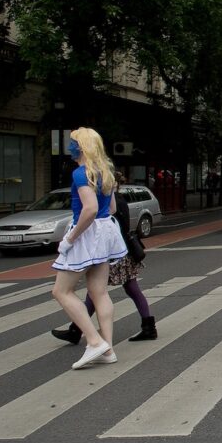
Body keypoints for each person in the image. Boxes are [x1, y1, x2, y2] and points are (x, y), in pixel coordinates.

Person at [50, 128, 128, 369]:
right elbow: (112, 208)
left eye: (73, 143)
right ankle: (108, 349)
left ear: (81, 147)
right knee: (100, 292)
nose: (70, 147)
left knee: (61, 291)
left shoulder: (81, 173)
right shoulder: (106, 172)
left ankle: (94, 342)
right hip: (105, 232)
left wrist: (70, 238)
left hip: (86, 233)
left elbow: (90, 209)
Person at [51, 172, 157, 345]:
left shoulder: (108, 202)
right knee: (128, 289)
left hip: (113, 253)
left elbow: (105, 224)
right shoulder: (118, 200)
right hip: (124, 252)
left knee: (96, 292)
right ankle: (148, 326)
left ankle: (77, 330)